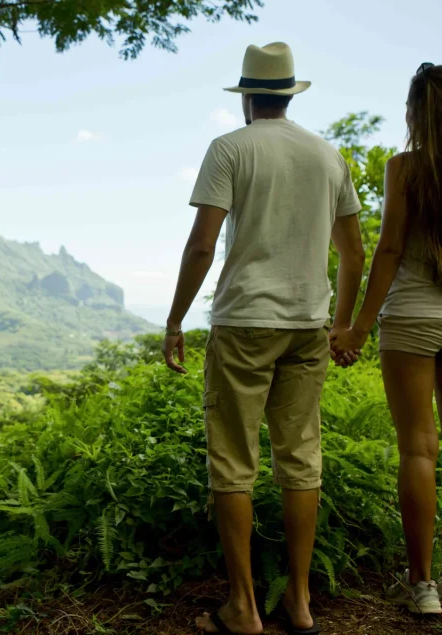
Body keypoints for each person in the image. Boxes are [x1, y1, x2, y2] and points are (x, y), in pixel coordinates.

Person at [162, 41, 365, 635]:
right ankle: (299, 604)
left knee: (233, 462)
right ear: (289, 93)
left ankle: (244, 608)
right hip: (309, 323)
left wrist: (176, 320)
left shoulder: (229, 148)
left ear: (248, 96)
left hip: (245, 320)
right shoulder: (328, 156)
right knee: (301, 458)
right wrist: (343, 323)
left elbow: (203, 245)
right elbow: (353, 252)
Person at [330, 63, 442, 618]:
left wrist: (358, 327)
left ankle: (423, 586)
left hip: (412, 319)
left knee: (418, 448)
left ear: (417, 112)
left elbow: (388, 251)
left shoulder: (405, 168)